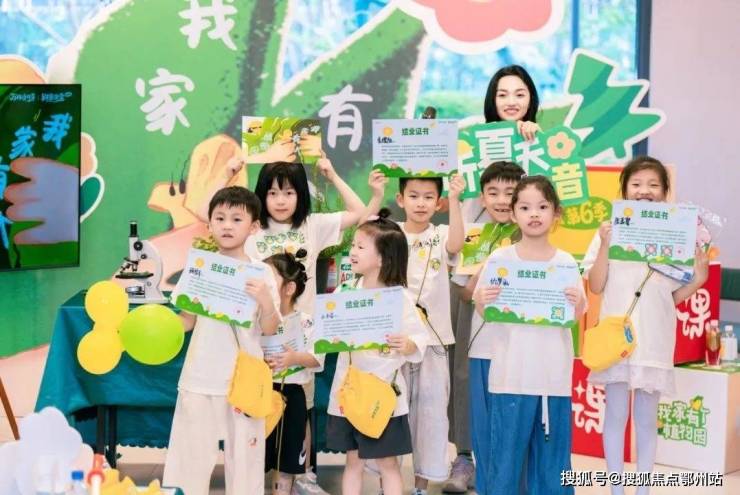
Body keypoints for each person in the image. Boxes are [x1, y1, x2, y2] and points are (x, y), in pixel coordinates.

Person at [583, 156, 709, 495]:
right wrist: (605, 244)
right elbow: (595, 285)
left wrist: (699, 278)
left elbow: (672, 296)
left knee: (646, 419)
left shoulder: (677, 234)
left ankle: (643, 491)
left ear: (666, 192)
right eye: (636, 184)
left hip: (654, 338)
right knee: (615, 415)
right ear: (624, 189)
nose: (644, 191)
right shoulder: (609, 230)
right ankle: (616, 490)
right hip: (616, 340)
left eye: (654, 185)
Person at [445, 64, 541, 493]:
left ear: (531, 98)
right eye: (503, 94)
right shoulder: (472, 144)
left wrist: (534, 146)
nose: (511, 101)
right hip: (471, 274)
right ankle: (465, 457)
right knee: (465, 372)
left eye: (519, 93)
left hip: (524, 280)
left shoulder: (542, 144)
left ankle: (509, 457)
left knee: (516, 369)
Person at [163, 186, 281, 495]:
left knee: (245, 462)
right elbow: (186, 320)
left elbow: (270, 329)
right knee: (189, 459)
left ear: (254, 226)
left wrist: (266, 301)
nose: (227, 225)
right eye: (220, 218)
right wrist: (155, 327)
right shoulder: (199, 268)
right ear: (210, 224)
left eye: (237, 219)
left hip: (244, 381)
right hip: (200, 376)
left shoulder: (262, 273)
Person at [474, 176, 586, 493]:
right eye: (524, 207)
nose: (534, 214)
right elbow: (485, 310)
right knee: (505, 461)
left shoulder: (565, 262)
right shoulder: (500, 260)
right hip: (510, 376)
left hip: (552, 379)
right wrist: (482, 300)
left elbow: (575, 316)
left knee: (553, 464)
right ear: (513, 214)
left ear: (555, 213)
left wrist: (577, 303)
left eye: (542, 207)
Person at [325, 210, 427, 495]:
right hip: (348, 391)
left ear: (383, 258)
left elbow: (419, 338)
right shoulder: (344, 292)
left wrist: (408, 344)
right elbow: (326, 333)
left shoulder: (400, 298)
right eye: (352, 245)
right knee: (353, 460)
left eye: (360, 247)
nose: (352, 252)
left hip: (383, 396)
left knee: (388, 463)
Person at [389, 174, 465, 495]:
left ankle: (420, 485)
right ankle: (389, 481)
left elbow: (457, 246)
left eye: (428, 197)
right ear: (400, 199)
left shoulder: (441, 233)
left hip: (433, 342)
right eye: (414, 195)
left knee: (431, 417)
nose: (421, 203)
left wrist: (456, 199)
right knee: (390, 414)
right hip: (393, 342)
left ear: (438, 202)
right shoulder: (390, 234)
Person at [261, 250, 326, 495]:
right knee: (256, 455)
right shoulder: (256, 320)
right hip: (260, 394)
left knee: (287, 460)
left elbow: (317, 359)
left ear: (289, 288)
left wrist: (294, 358)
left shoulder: (307, 321)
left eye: (269, 280)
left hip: (293, 396)